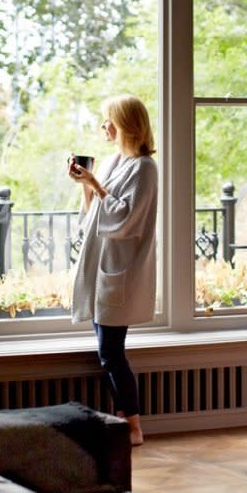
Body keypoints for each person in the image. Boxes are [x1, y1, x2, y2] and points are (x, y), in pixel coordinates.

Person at [68, 94, 157, 446]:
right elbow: (95, 214)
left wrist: (95, 185)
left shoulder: (145, 169)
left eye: (109, 120)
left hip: (122, 268)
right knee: (109, 351)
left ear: (125, 125)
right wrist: (86, 185)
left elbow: (124, 218)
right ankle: (124, 421)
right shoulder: (112, 161)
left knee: (111, 351)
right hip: (103, 268)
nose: (104, 127)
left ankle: (133, 425)